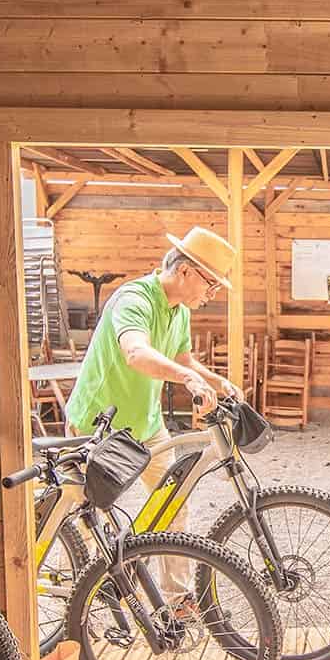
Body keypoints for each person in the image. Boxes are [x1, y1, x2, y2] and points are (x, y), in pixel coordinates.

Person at [63, 227, 242, 587]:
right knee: (88, 519)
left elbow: (182, 359)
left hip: (146, 425)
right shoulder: (135, 299)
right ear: (185, 271)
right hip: (98, 426)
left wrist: (216, 381)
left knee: (172, 505)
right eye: (211, 284)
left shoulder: (179, 311)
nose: (212, 294)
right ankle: (85, 595)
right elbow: (136, 352)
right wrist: (186, 378)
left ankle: (177, 598)